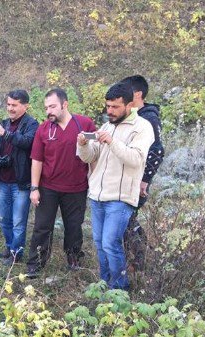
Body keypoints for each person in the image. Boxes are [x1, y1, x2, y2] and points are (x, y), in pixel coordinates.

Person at [77, 82, 154, 290]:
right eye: (108, 106)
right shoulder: (107, 125)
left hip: (120, 198)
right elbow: (90, 157)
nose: (109, 111)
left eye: (115, 107)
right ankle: (105, 283)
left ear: (129, 105)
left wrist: (111, 142)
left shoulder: (143, 127)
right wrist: (82, 145)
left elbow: (136, 159)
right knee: (100, 245)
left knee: (111, 244)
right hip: (97, 196)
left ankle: (119, 288)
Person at [26, 88, 96, 277]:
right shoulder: (44, 129)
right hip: (48, 187)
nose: (49, 111)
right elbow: (37, 160)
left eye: (53, 106)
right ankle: (36, 263)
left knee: (74, 226)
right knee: (42, 226)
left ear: (65, 105)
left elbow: (95, 153)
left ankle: (74, 258)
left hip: (77, 188)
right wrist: (34, 188)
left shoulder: (85, 124)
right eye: (46, 107)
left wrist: (94, 179)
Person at [0, 89, 39, 264]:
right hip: (3, 180)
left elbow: (27, 143)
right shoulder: (4, 123)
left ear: (25, 106)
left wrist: (5, 133)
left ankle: (16, 254)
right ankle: (9, 246)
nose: (10, 108)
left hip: (21, 182)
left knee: (19, 221)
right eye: (9, 104)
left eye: (15, 105)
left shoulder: (31, 124)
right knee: (4, 218)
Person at [119, 75, 165, 270]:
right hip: (126, 176)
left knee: (125, 219)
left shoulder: (148, 117)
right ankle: (140, 256)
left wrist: (144, 180)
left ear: (137, 94)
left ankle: (138, 260)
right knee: (127, 219)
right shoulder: (131, 115)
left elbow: (157, 150)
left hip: (137, 180)